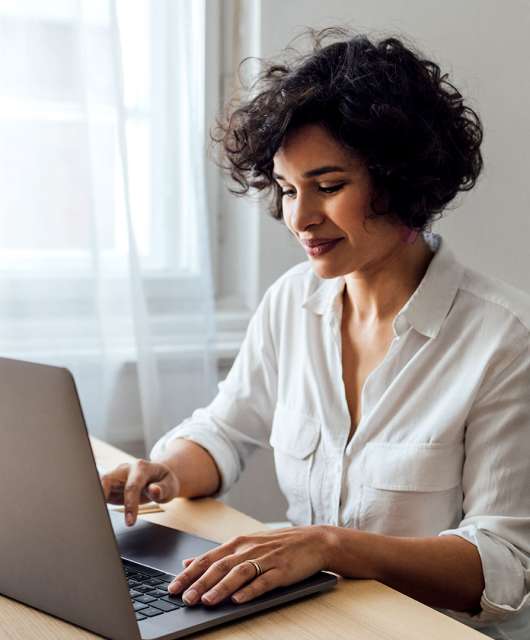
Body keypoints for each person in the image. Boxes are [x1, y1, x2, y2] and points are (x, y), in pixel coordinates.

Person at [100, 28, 530, 640]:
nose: (299, 218)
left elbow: (504, 567)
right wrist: (166, 471)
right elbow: (227, 427)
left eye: (328, 187)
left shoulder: (505, 340)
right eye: (286, 189)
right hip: (317, 623)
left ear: (399, 181)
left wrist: (330, 546)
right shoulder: (292, 303)